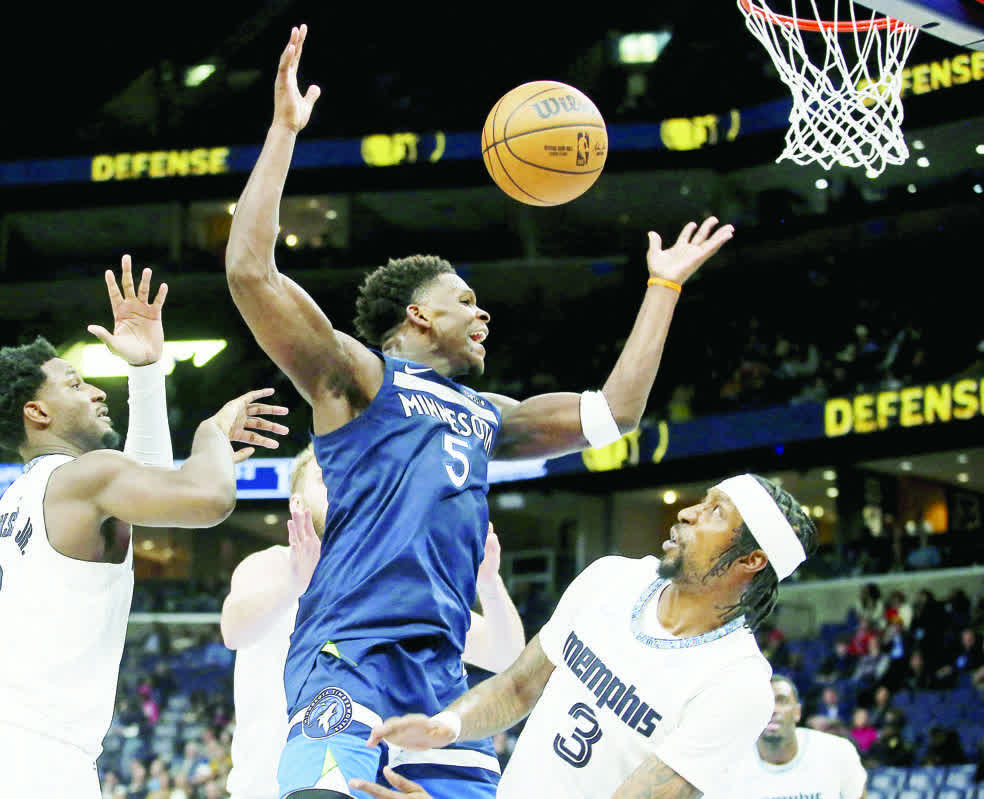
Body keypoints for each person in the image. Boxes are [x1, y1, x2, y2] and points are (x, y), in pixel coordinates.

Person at [226, 24, 736, 799]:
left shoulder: (490, 413)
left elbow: (615, 415)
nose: (483, 313)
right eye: (465, 300)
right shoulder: (358, 380)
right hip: (348, 652)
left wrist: (662, 289)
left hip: (441, 676)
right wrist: (282, 131)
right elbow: (251, 272)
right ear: (417, 318)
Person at [0, 256, 289, 799]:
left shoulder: (33, 489)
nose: (97, 391)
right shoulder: (85, 477)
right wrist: (211, 433)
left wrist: (147, 372)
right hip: (29, 754)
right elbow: (209, 499)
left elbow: (142, 486)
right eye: (76, 384)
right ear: (38, 413)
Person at [358, 474, 816, 799]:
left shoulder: (737, 683)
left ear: (751, 561)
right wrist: (448, 726)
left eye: (716, 511)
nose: (688, 512)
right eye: (704, 499)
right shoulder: (610, 578)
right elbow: (519, 687)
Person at [221, 446, 525, 799]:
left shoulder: (402, 585)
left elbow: (505, 657)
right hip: (264, 788)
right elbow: (234, 630)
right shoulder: (272, 565)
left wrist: (489, 584)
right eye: (326, 475)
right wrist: (295, 584)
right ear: (297, 504)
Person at [707, 675, 867, 799]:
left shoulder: (837, 752)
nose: (771, 709)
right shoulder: (727, 765)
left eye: (781, 701)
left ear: (797, 712)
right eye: (762, 701)